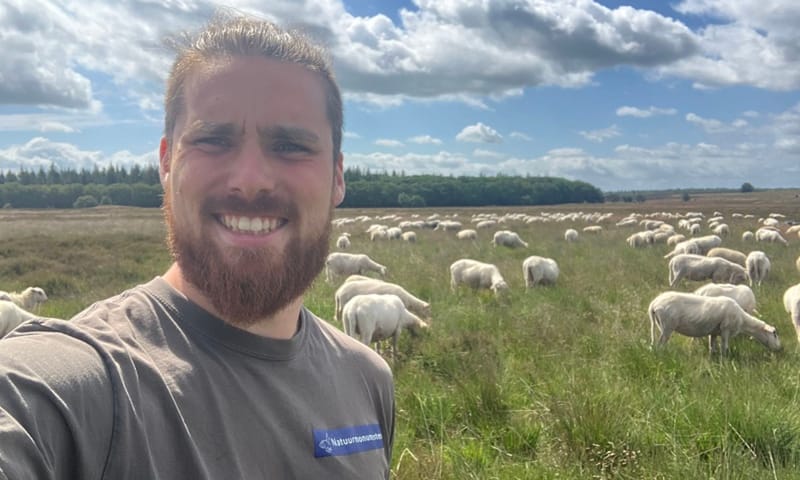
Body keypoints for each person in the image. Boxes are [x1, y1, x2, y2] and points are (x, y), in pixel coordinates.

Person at [0, 13, 395, 479]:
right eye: (212, 140)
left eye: (290, 145)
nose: (250, 181)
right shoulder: (80, 387)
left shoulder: (368, 381)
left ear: (337, 176)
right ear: (166, 164)